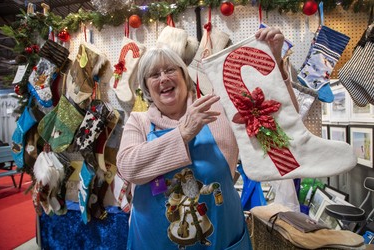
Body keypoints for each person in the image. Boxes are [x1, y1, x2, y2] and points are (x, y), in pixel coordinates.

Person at [116, 27, 296, 250]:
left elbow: (281, 126)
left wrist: (275, 64)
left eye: (170, 70)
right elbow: (128, 168)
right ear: (147, 88)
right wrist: (183, 133)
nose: (163, 78)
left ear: (184, 77)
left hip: (220, 241)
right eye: (154, 74)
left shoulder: (220, 111)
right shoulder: (139, 122)